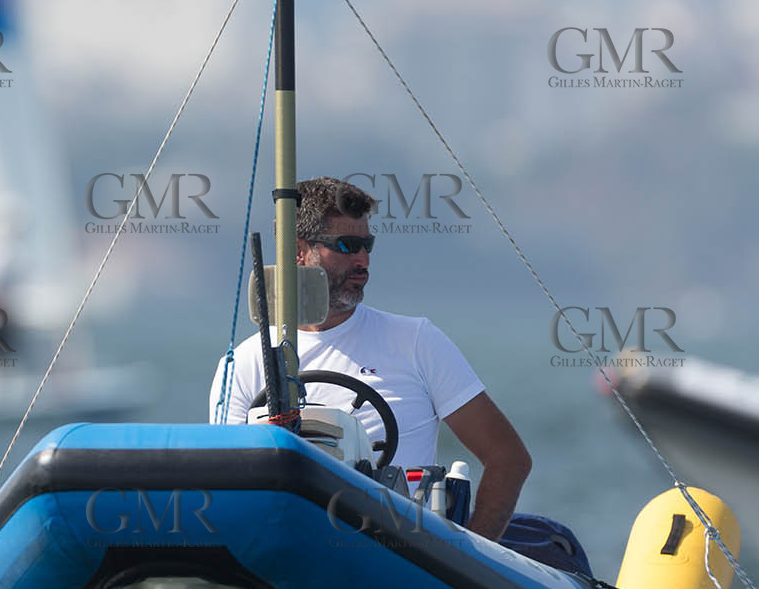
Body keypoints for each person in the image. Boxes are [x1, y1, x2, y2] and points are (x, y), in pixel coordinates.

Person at [207, 176, 531, 542]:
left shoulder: (417, 342)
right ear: (299, 251)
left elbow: (508, 458)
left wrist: (470, 556)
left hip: (400, 552)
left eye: (367, 246)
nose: (363, 260)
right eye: (347, 246)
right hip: (290, 545)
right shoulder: (244, 363)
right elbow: (225, 483)